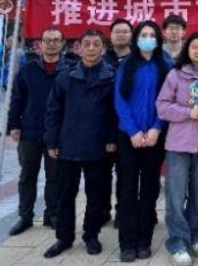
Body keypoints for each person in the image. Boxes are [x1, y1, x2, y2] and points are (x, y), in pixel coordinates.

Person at [43, 29, 117, 258]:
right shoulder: (65, 77)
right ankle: (64, 238)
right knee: (65, 195)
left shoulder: (111, 77)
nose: (91, 48)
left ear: (103, 48)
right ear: (79, 48)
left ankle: (91, 235)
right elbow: (53, 111)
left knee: (96, 196)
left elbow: (116, 113)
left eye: (96, 44)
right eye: (87, 44)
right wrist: (52, 141)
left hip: (98, 145)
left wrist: (111, 138)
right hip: (68, 145)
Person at [157, 32, 198, 266]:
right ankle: (177, 242)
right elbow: (162, 106)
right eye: (195, 47)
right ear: (187, 49)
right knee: (175, 195)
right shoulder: (175, 74)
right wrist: (187, 112)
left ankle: (195, 235)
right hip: (178, 145)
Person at [114, 21, 171, 262]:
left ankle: (144, 241)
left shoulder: (166, 66)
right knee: (127, 190)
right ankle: (127, 243)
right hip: (130, 137)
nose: (147, 38)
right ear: (136, 39)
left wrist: (157, 127)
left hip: (155, 137)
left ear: (158, 39)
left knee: (149, 189)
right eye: (143, 35)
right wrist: (133, 131)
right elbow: (120, 100)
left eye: (151, 35)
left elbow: (168, 100)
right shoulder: (126, 65)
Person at [7, 27, 65, 236]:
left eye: (56, 40)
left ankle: (53, 215)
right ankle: (25, 216)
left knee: (55, 176)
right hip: (30, 130)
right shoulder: (28, 70)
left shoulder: (69, 70)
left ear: (62, 44)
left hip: (58, 133)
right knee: (27, 175)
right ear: (40, 44)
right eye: (47, 40)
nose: (51, 44)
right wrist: (14, 125)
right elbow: (17, 99)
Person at [102, 17, 134, 227]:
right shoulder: (101, 59)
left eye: (125, 31)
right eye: (117, 31)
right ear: (111, 35)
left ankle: (123, 212)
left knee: (126, 174)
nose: (121, 35)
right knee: (101, 173)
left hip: (127, 127)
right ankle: (103, 211)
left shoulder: (137, 61)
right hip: (103, 125)